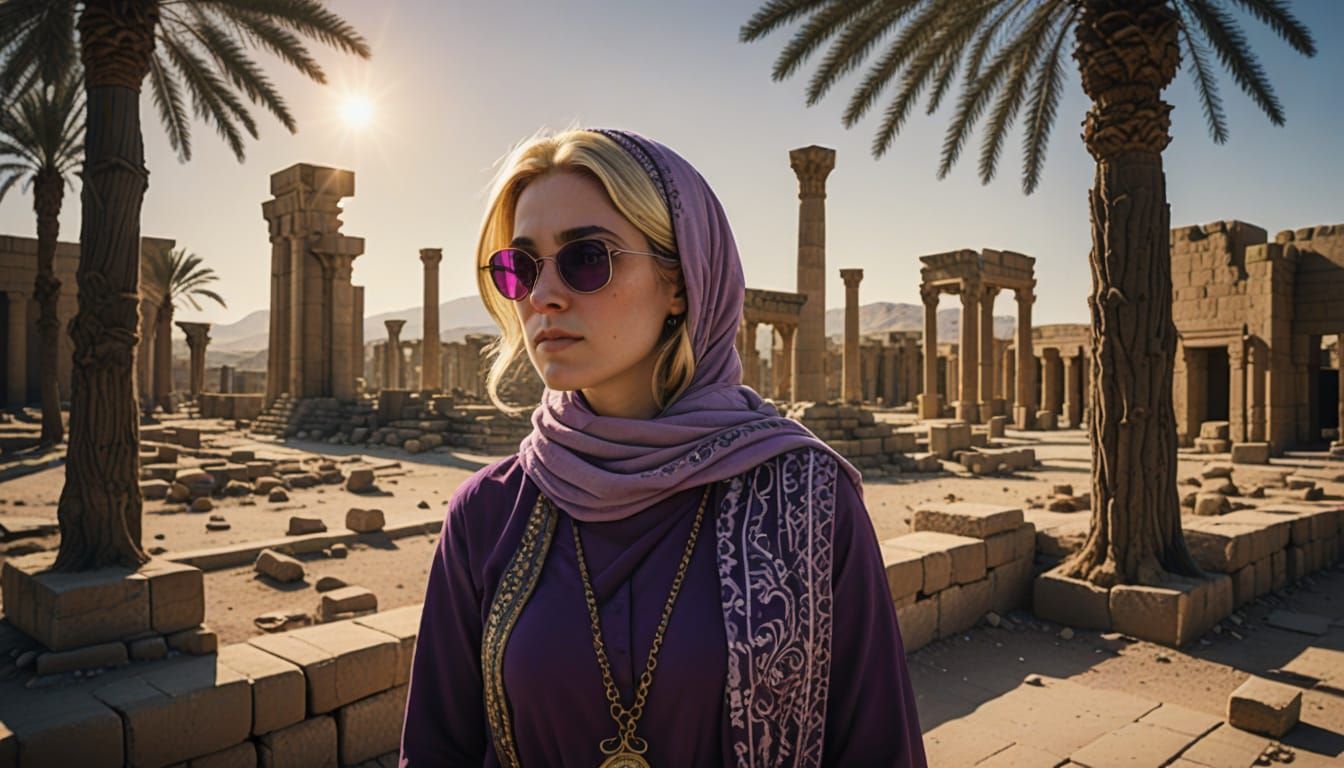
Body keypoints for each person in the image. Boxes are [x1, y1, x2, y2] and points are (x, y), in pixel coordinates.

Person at [399, 128, 926, 767]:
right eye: (521, 267)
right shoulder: (487, 513)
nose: (542, 297)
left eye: (586, 259)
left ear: (681, 280)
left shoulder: (809, 502)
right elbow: (437, 749)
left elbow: (878, 749)